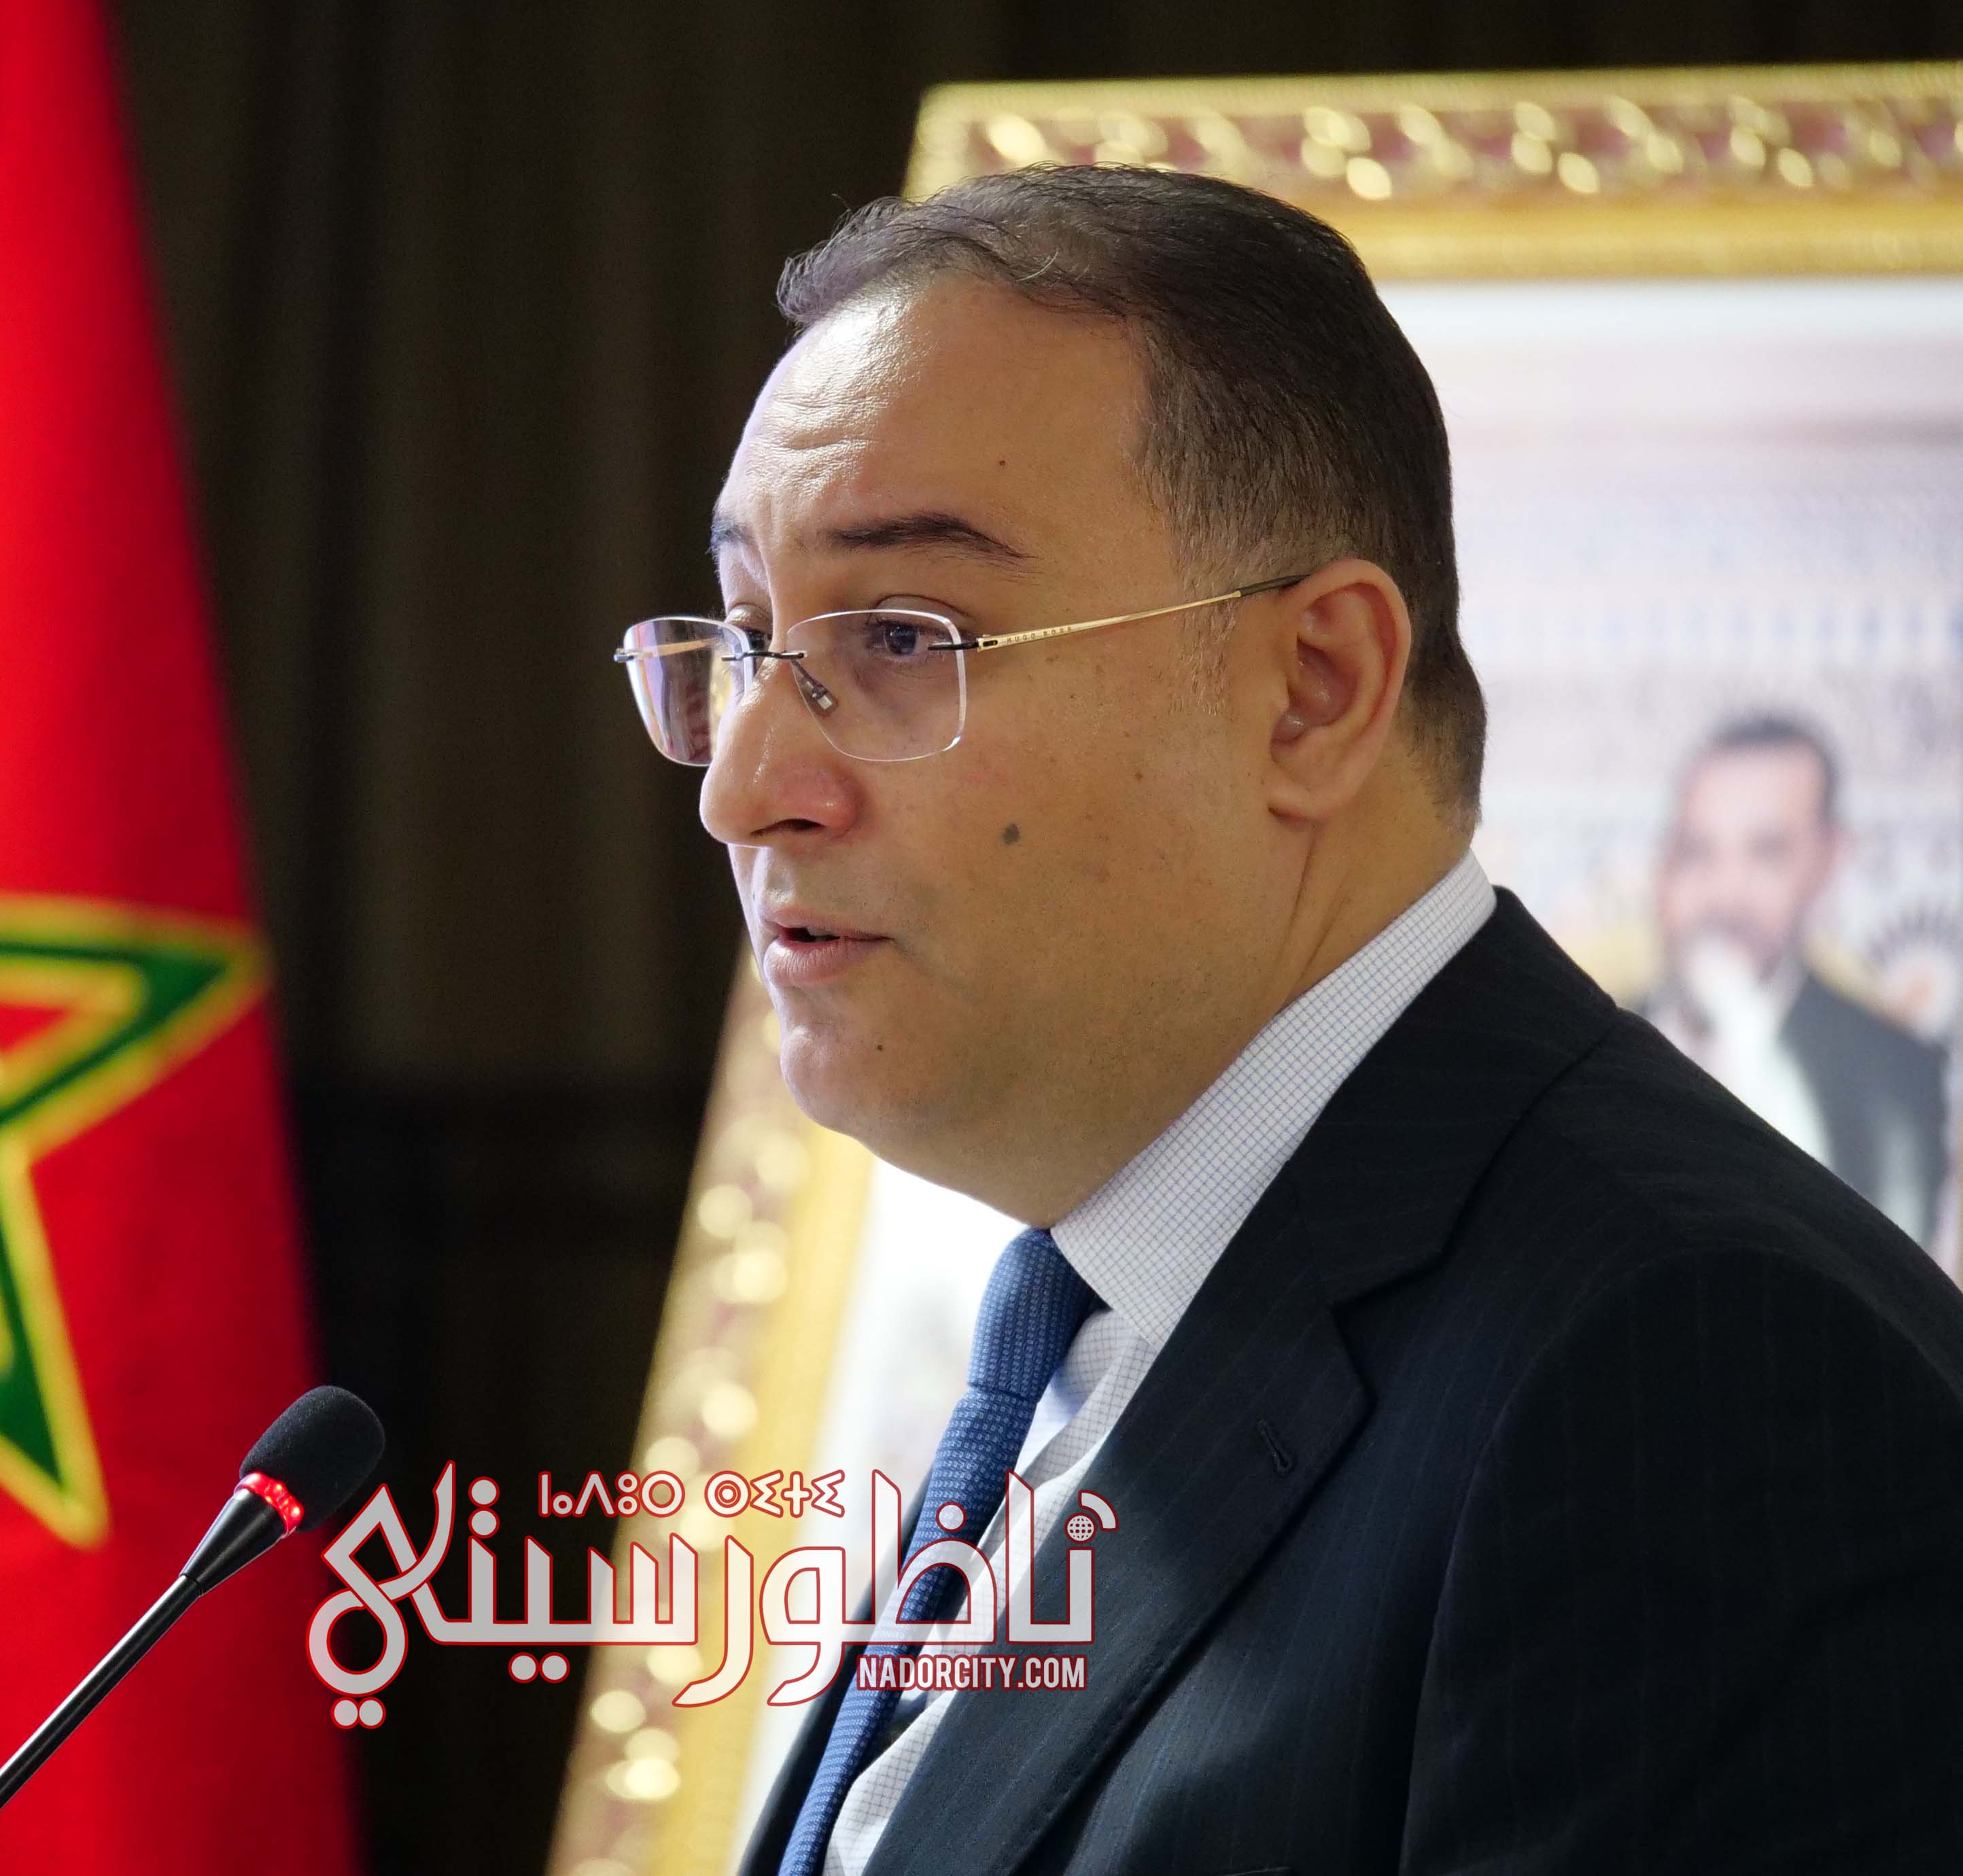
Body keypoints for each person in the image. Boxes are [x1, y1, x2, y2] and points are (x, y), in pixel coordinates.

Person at [611, 166, 1963, 1874]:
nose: (743, 787)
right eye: (743, 638)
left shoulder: (1693, 1385)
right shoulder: (1098, 1307)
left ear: (1313, 690)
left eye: (900, 635)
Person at [1646, 713, 1949, 1245]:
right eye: (1696, 851)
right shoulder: (1590, 1042)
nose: (1724, 894)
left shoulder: (1894, 1077)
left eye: (1766, 853)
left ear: (1827, 860)